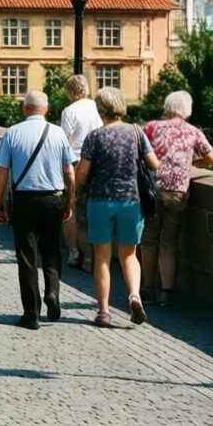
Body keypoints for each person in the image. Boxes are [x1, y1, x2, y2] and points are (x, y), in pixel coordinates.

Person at [75, 86, 160, 328]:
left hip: (100, 203)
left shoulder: (95, 137)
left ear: (100, 109)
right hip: (131, 202)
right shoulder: (136, 132)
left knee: (102, 257)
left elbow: (82, 173)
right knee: (129, 254)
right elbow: (154, 164)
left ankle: (103, 311)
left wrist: (75, 191)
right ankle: (134, 295)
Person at [0, 91, 76, 330]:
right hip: (54, 198)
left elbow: (1, 173)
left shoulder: (13, 133)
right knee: (51, 249)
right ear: (47, 109)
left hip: (25, 200)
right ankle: (53, 293)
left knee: (27, 255)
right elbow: (69, 172)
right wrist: (69, 202)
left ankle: (31, 313)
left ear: (24, 109)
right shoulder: (58, 133)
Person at [140, 91, 213, 306]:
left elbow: (139, 152)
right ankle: (167, 293)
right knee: (169, 242)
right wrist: (194, 165)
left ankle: (148, 289)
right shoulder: (193, 132)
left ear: (167, 108)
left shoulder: (152, 127)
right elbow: (212, 156)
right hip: (178, 193)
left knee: (149, 240)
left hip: (153, 191)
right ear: (187, 110)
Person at [59, 74, 103, 272]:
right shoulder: (98, 108)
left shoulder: (70, 111)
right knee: (93, 210)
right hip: (98, 163)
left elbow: (66, 142)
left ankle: (75, 251)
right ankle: (95, 254)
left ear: (73, 93)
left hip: (76, 162)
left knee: (70, 208)